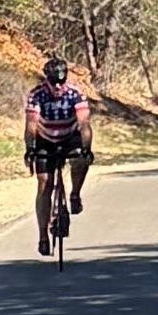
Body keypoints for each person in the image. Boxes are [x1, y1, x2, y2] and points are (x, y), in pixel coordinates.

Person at [21, 50, 97, 250]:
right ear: (46, 79)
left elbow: (84, 124)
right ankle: (43, 237)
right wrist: (30, 149)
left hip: (69, 136)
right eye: (53, 82)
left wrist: (86, 149)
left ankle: (75, 194)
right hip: (45, 139)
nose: (57, 86)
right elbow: (31, 126)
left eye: (61, 82)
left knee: (81, 161)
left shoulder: (75, 93)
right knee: (45, 183)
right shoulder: (37, 95)